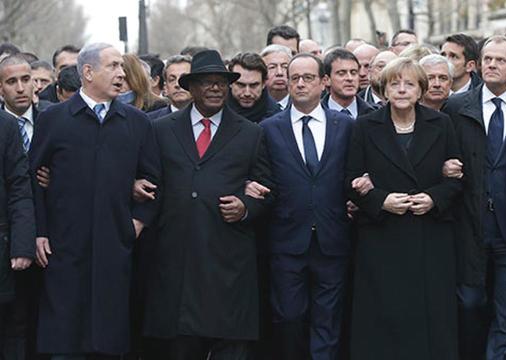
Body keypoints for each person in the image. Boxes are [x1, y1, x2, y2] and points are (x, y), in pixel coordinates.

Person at [30, 42, 160, 359]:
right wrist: (40, 232)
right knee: (65, 340)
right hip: (64, 249)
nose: (121, 73)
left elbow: (155, 181)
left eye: (122, 66)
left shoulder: (137, 122)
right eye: (113, 66)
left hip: (115, 249)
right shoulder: (54, 119)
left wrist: (136, 224)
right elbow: (33, 181)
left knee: (110, 338)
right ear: (87, 72)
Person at [142, 49, 272, 360]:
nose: (215, 88)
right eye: (206, 82)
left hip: (227, 264)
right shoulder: (160, 129)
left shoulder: (250, 133)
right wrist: (136, 184)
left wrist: (245, 206)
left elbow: (268, 190)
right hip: (176, 263)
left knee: (229, 346)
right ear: (191, 88)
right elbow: (145, 176)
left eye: (221, 83)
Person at [346, 55, 463, 359]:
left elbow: (457, 178)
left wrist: (434, 198)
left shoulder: (442, 123)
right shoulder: (364, 126)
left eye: (409, 84)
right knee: (385, 317)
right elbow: (350, 180)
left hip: (429, 237)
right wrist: (381, 200)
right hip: (383, 237)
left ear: (420, 90)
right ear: (383, 90)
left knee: (431, 318)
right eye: (394, 84)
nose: (401, 90)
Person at [442, 35, 506, 360]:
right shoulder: (457, 107)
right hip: (470, 225)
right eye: (487, 59)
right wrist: (445, 168)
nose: (491, 65)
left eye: (500, 60)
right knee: (470, 303)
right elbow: (443, 154)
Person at [254, 52, 354, 360]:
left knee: (328, 320)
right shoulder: (268, 128)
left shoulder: (346, 126)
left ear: (324, 82)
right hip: (287, 240)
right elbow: (263, 177)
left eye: (308, 77)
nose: (299, 84)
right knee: (288, 318)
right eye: (294, 77)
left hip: (333, 239)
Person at [0, 107, 35, 360]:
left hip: (2, 246)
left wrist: (22, 246)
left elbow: (19, 187)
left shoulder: (6, 126)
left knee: (10, 326)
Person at [227, 52, 281, 123]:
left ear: (264, 83)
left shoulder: (276, 118)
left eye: (253, 85)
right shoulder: (215, 111)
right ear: (230, 82)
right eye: (241, 85)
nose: (247, 93)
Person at [321, 49, 374, 119]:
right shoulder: (317, 114)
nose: (349, 78)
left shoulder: (374, 113)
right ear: (327, 80)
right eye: (341, 73)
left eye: (353, 72)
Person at [147, 55, 192, 120]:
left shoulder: (208, 119)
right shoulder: (150, 121)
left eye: (184, 79)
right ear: (165, 87)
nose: (177, 84)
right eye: (172, 79)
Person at [261, 45, 293, 110]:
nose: (279, 73)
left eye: (285, 67)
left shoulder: (302, 104)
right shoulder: (254, 105)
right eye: (272, 67)